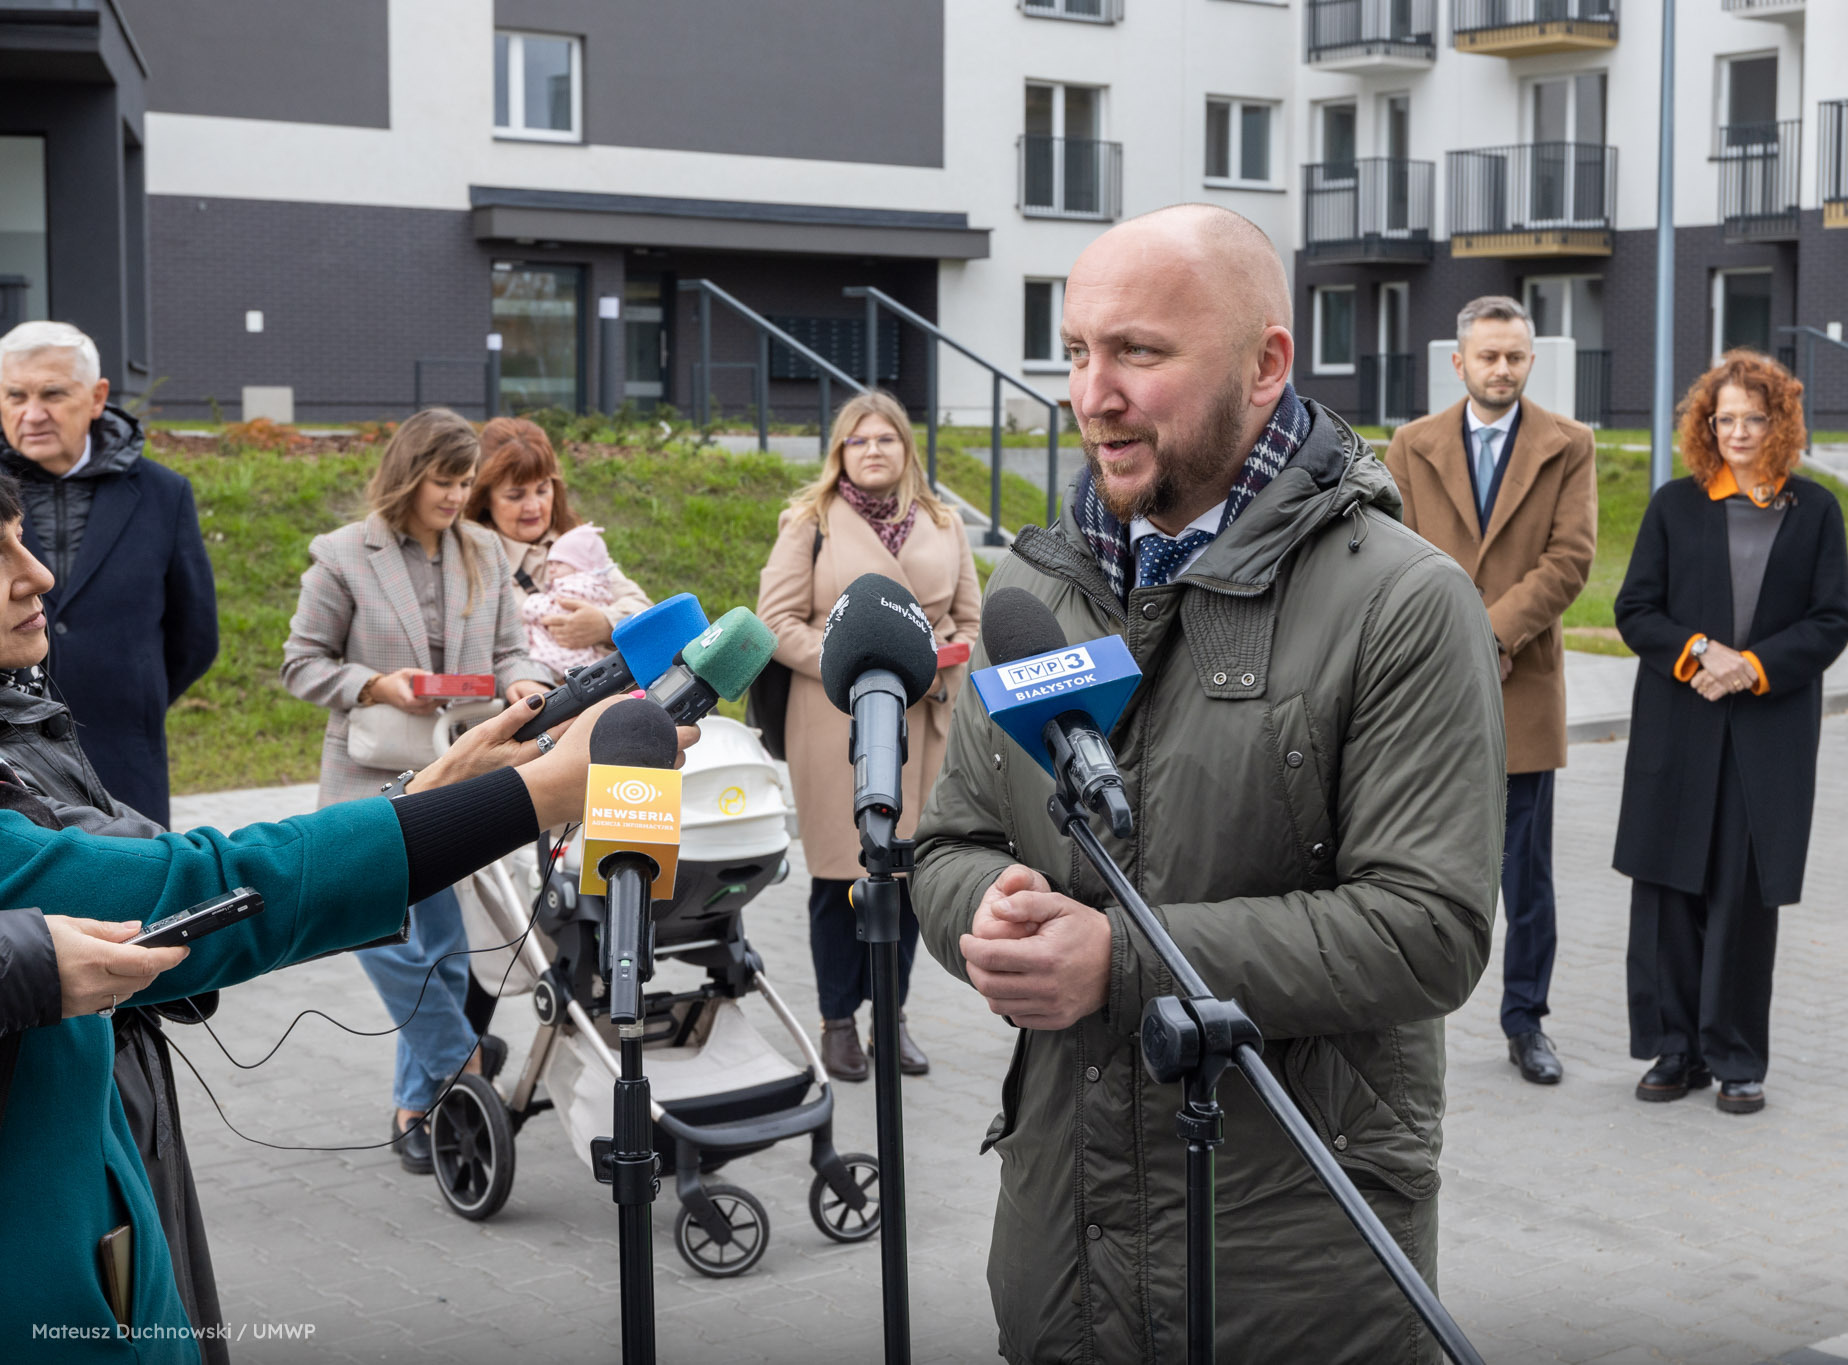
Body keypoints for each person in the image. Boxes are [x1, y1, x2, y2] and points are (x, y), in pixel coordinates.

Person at [911, 205, 1505, 1363]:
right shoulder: (1041, 590)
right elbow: (951, 843)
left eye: (1139, 352)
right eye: (1077, 351)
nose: (1093, 394)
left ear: (1266, 365)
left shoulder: (1403, 602)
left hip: (1292, 1270)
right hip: (1061, 1252)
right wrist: (982, 916)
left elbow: (1429, 930)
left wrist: (1119, 963)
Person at [0, 458, 692, 1361]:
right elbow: (208, 886)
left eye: (23, 536)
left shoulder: (21, 719)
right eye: (0, 551)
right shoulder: (341, 555)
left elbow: (165, 869)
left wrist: (437, 788)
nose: (38, 573)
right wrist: (536, 797)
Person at [281, 409, 551, 1174]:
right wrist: (374, 683)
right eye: (445, 480)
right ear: (409, 473)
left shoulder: (487, 551)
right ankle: (462, 1058)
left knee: (446, 948)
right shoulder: (341, 555)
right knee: (371, 929)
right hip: (371, 773)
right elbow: (301, 664)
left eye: (466, 483)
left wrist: (524, 679)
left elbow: (509, 649)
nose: (457, 496)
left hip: (459, 766)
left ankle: (414, 1109)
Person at [1613, 352, 1848, 1117]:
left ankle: (1737, 1056)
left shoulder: (1813, 510)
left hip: (1767, 730)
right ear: (1706, 425)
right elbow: (1636, 608)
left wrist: (1751, 665)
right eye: (1725, 418)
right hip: (1680, 724)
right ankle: (1674, 1051)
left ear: (1780, 422)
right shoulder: (1674, 505)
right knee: (1671, 888)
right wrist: (1698, 653)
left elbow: (1832, 618)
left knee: (1743, 894)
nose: (1738, 431)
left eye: (1754, 416)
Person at [1384, 295, 1598, 1088]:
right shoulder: (1411, 445)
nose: (1501, 369)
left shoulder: (1567, 445)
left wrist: (1491, 634)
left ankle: (1526, 1020)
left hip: (1520, 689)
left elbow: (1570, 560)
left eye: (1514, 356)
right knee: (1406, 864)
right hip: (1426, 698)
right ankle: (1403, 1015)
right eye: (1488, 356)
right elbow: (1390, 549)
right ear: (1459, 361)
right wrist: (1451, 640)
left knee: (1525, 878)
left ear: (1529, 360)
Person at [757, 390, 981, 1082]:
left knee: (909, 877)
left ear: (907, 448)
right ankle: (837, 1022)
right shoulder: (811, 521)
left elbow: (971, 616)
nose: (875, 449)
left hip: (927, 718)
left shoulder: (944, 521)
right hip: (835, 719)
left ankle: (892, 1015)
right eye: (860, 440)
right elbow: (776, 618)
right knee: (840, 877)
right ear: (840, 453)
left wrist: (954, 651)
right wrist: (846, 656)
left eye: (887, 437)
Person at [0, 321, 217, 829]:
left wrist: (134, 696)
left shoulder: (164, 493)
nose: (32, 414)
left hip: (124, 753)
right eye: (15, 395)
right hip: (13, 767)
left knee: (147, 893)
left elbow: (196, 634)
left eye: (53, 394)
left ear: (97, 397)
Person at [465, 415, 651, 678]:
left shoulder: (579, 541)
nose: (533, 507)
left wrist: (604, 623)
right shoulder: (472, 554)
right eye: (515, 496)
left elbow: (645, 610)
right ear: (485, 499)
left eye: (542, 490)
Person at [521, 522, 622, 677]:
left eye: (559, 563)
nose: (552, 569)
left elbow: (555, 610)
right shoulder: (597, 584)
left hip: (565, 657)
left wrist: (531, 604)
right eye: (550, 564)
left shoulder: (578, 586)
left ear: (579, 566)